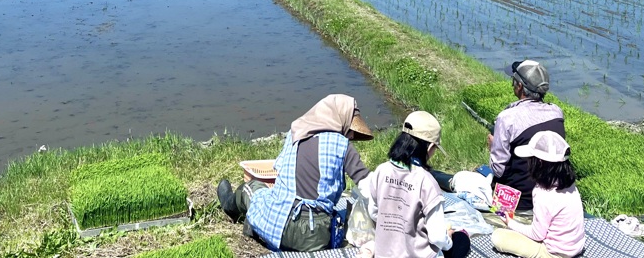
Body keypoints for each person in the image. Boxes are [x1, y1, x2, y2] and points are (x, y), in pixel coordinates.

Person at [216, 93, 373, 251]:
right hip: (317, 239)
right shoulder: (342, 145)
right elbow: (368, 186)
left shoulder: (296, 134)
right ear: (341, 119)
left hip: (281, 228)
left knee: (250, 187)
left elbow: (280, 170)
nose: (351, 135)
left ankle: (230, 206)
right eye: (350, 129)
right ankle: (252, 224)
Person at [359, 110, 472, 258]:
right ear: (430, 147)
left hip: (385, 252)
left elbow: (374, 213)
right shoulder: (427, 182)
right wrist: (448, 239)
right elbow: (437, 237)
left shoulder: (381, 170)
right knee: (461, 240)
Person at [490, 131, 585, 258]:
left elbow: (537, 235)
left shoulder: (542, 193)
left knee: (498, 237)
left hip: (554, 253)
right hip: (576, 247)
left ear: (539, 162)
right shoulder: (569, 184)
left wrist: (510, 222)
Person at [488, 60, 565, 215]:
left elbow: (498, 169)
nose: (512, 84)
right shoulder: (557, 112)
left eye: (514, 81)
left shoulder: (507, 117)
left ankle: (500, 214)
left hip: (517, 203)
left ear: (520, 86)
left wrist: (492, 146)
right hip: (549, 199)